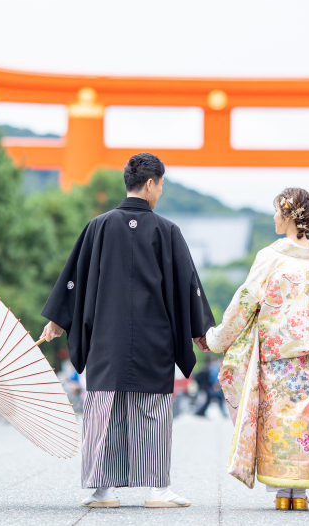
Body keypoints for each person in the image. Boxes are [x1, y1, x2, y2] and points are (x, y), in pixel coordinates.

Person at [41, 152, 214, 509]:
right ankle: (158, 489)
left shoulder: (98, 227)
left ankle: (102, 490)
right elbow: (188, 285)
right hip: (155, 337)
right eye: (161, 185)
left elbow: (74, 278)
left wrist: (58, 319)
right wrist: (200, 329)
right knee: (153, 411)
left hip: (107, 337)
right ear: (150, 184)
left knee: (104, 410)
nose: (160, 191)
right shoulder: (167, 231)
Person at [202, 188, 309, 511]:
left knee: (280, 420)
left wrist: (217, 339)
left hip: (279, 355)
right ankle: (302, 493)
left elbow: (245, 302)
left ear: (288, 215)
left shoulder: (271, 257)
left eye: (276, 212)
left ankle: (283, 491)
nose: (273, 218)